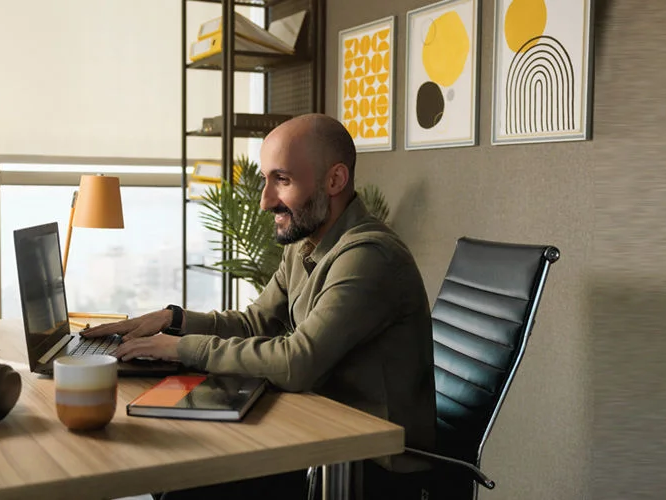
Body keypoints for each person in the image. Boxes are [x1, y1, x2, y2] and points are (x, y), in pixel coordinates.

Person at [81, 113, 436, 499]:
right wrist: (174, 320)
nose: (266, 200)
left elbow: (296, 362)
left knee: (184, 485)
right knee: (176, 467)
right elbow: (256, 323)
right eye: (266, 179)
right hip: (321, 436)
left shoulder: (368, 257)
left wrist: (181, 348)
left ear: (334, 180)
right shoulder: (306, 244)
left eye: (282, 180)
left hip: (370, 467)